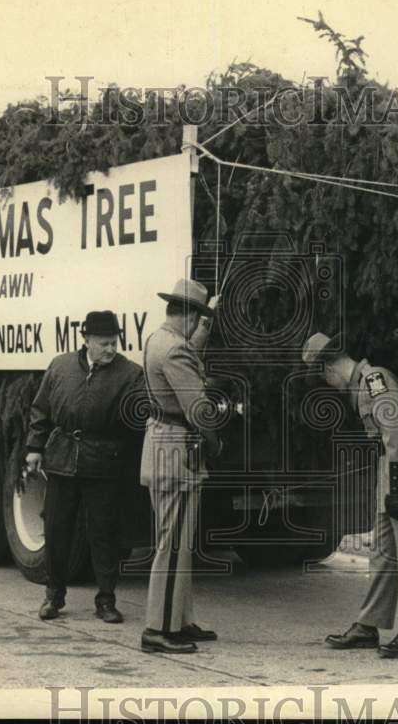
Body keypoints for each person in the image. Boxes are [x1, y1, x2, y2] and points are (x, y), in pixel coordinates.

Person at [301, 331, 398, 659]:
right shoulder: (364, 385)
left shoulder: (374, 382)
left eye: (324, 379)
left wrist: (395, 490)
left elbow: (397, 438)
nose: (330, 386)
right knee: (383, 553)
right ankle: (369, 625)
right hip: (392, 470)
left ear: (329, 368)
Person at [25, 310, 146, 623]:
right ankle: (53, 596)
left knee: (104, 533)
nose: (111, 349)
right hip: (62, 460)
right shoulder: (60, 366)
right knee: (56, 530)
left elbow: (136, 423)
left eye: (114, 342)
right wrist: (34, 448)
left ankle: (106, 600)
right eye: (104, 343)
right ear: (87, 340)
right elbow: (41, 410)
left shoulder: (130, 374)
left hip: (104, 464)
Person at [138, 278, 222, 654]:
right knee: (173, 545)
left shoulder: (159, 340)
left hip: (162, 443)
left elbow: (188, 353)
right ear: (186, 315)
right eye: (197, 316)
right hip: (177, 450)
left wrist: (206, 323)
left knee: (179, 543)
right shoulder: (175, 350)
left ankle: (178, 620)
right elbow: (199, 409)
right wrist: (215, 441)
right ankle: (158, 628)